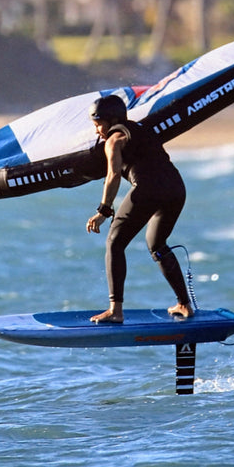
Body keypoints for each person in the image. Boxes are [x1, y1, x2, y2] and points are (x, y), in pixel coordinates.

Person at [84, 94, 193, 324]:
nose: (96, 131)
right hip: (176, 188)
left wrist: (103, 211)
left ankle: (115, 310)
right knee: (157, 245)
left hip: (149, 189)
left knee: (115, 242)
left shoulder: (114, 139)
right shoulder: (141, 128)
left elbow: (112, 175)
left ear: (111, 120)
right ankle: (183, 303)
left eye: (98, 125)